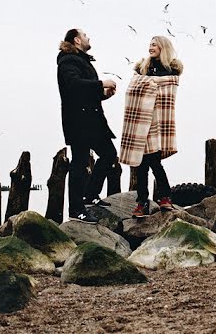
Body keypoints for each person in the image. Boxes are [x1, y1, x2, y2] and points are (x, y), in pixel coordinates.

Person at [57, 28, 118, 224]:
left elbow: (86, 91)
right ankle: (76, 209)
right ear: (76, 40)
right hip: (78, 121)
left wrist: (103, 95)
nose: (88, 37)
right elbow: (74, 85)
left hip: (93, 121)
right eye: (84, 35)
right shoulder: (67, 61)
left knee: (109, 155)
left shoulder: (82, 61)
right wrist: (101, 83)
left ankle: (90, 194)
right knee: (79, 163)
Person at [120, 35, 183, 218]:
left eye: (154, 44)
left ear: (163, 47)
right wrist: (148, 84)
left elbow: (166, 93)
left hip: (158, 121)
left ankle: (147, 202)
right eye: (150, 44)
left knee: (153, 162)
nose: (150, 47)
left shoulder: (170, 70)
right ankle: (155, 200)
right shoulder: (143, 69)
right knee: (143, 164)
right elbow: (134, 89)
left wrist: (150, 84)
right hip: (142, 122)